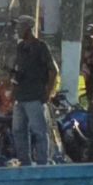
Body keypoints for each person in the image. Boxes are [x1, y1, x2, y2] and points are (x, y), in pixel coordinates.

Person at [10, 18, 59, 166]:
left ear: (29, 28)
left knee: (39, 131)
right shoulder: (20, 47)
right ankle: (25, 162)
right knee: (18, 131)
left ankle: (43, 163)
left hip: (35, 96)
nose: (17, 29)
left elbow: (53, 70)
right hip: (21, 96)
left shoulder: (40, 46)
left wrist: (47, 93)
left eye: (20, 26)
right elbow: (18, 70)